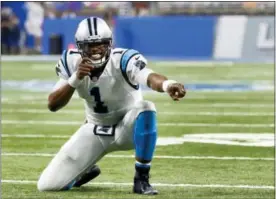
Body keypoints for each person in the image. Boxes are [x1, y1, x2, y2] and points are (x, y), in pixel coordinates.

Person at [37, 17, 186, 195]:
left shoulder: (122, 59)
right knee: (47, 185)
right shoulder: (71, 62)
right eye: (90, 45)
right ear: (79, 47)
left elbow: (149, 76)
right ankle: (84, 169)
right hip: (94, 130)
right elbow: (53, 104)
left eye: (101, 44)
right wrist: (75, 78)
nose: (96, 50)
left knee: (146, 107)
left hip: (127, 127)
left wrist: (168, 85)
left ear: (109, 43)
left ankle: (141, 179)